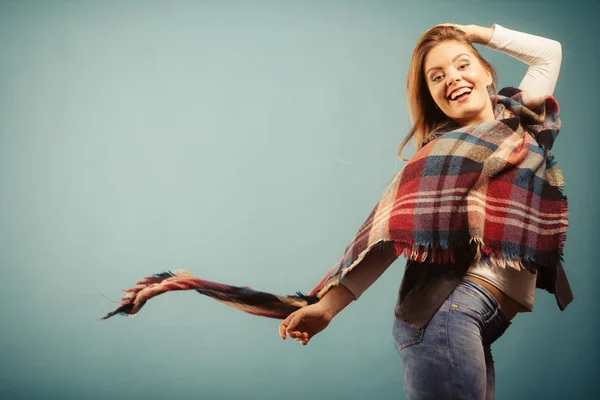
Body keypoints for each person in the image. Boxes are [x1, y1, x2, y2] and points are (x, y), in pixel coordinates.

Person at [278, 23, 572, 399]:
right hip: (445, 316)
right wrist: (328, 309)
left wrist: (471, 33)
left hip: (471, 321)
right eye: (437, 76)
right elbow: (387, 235)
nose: (452, 78)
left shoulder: (518, 124)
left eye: (462, 65)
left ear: (486, 72)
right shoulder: (438, 156)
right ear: (433, 96)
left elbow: (549, 52)